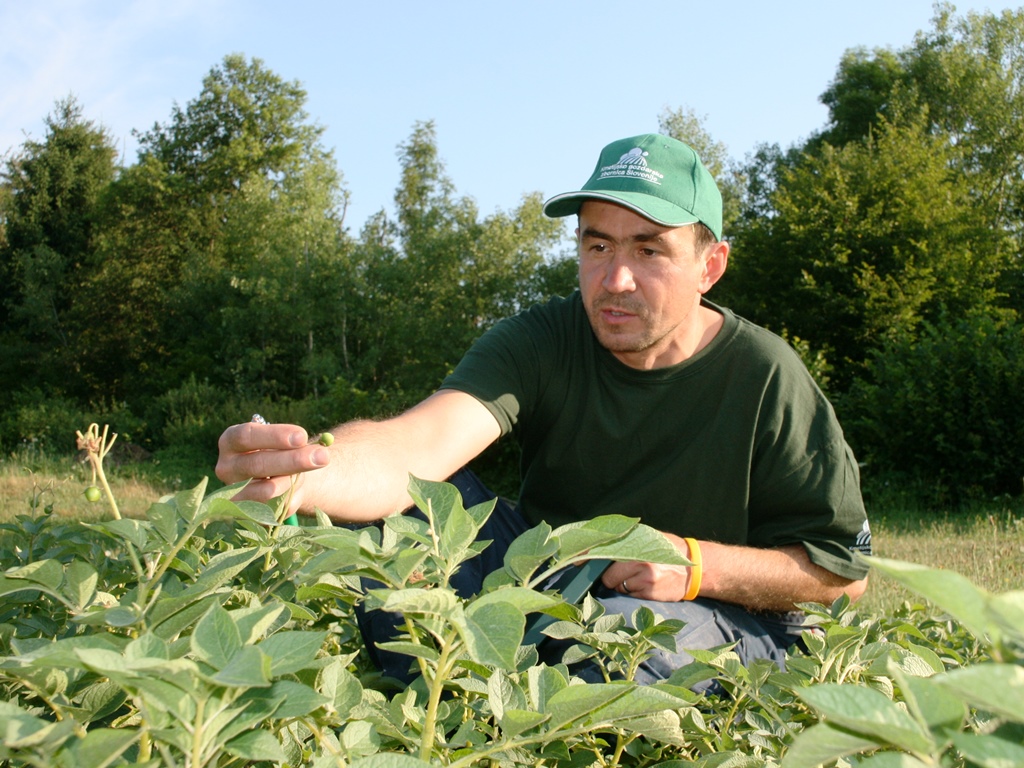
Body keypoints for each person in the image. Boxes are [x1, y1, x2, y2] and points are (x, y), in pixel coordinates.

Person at [216, 133, 872, 688]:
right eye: (597, 246)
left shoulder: (766, 376)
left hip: (719, 611)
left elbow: (840, 578)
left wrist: (695, 565)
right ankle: (441, 713)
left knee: (623, 642)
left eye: (649, 251)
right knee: (402, 518)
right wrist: (306, 471)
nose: (615, 279)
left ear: (710, 265)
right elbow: (415, 447)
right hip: (554, 579)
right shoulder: (543, 339)